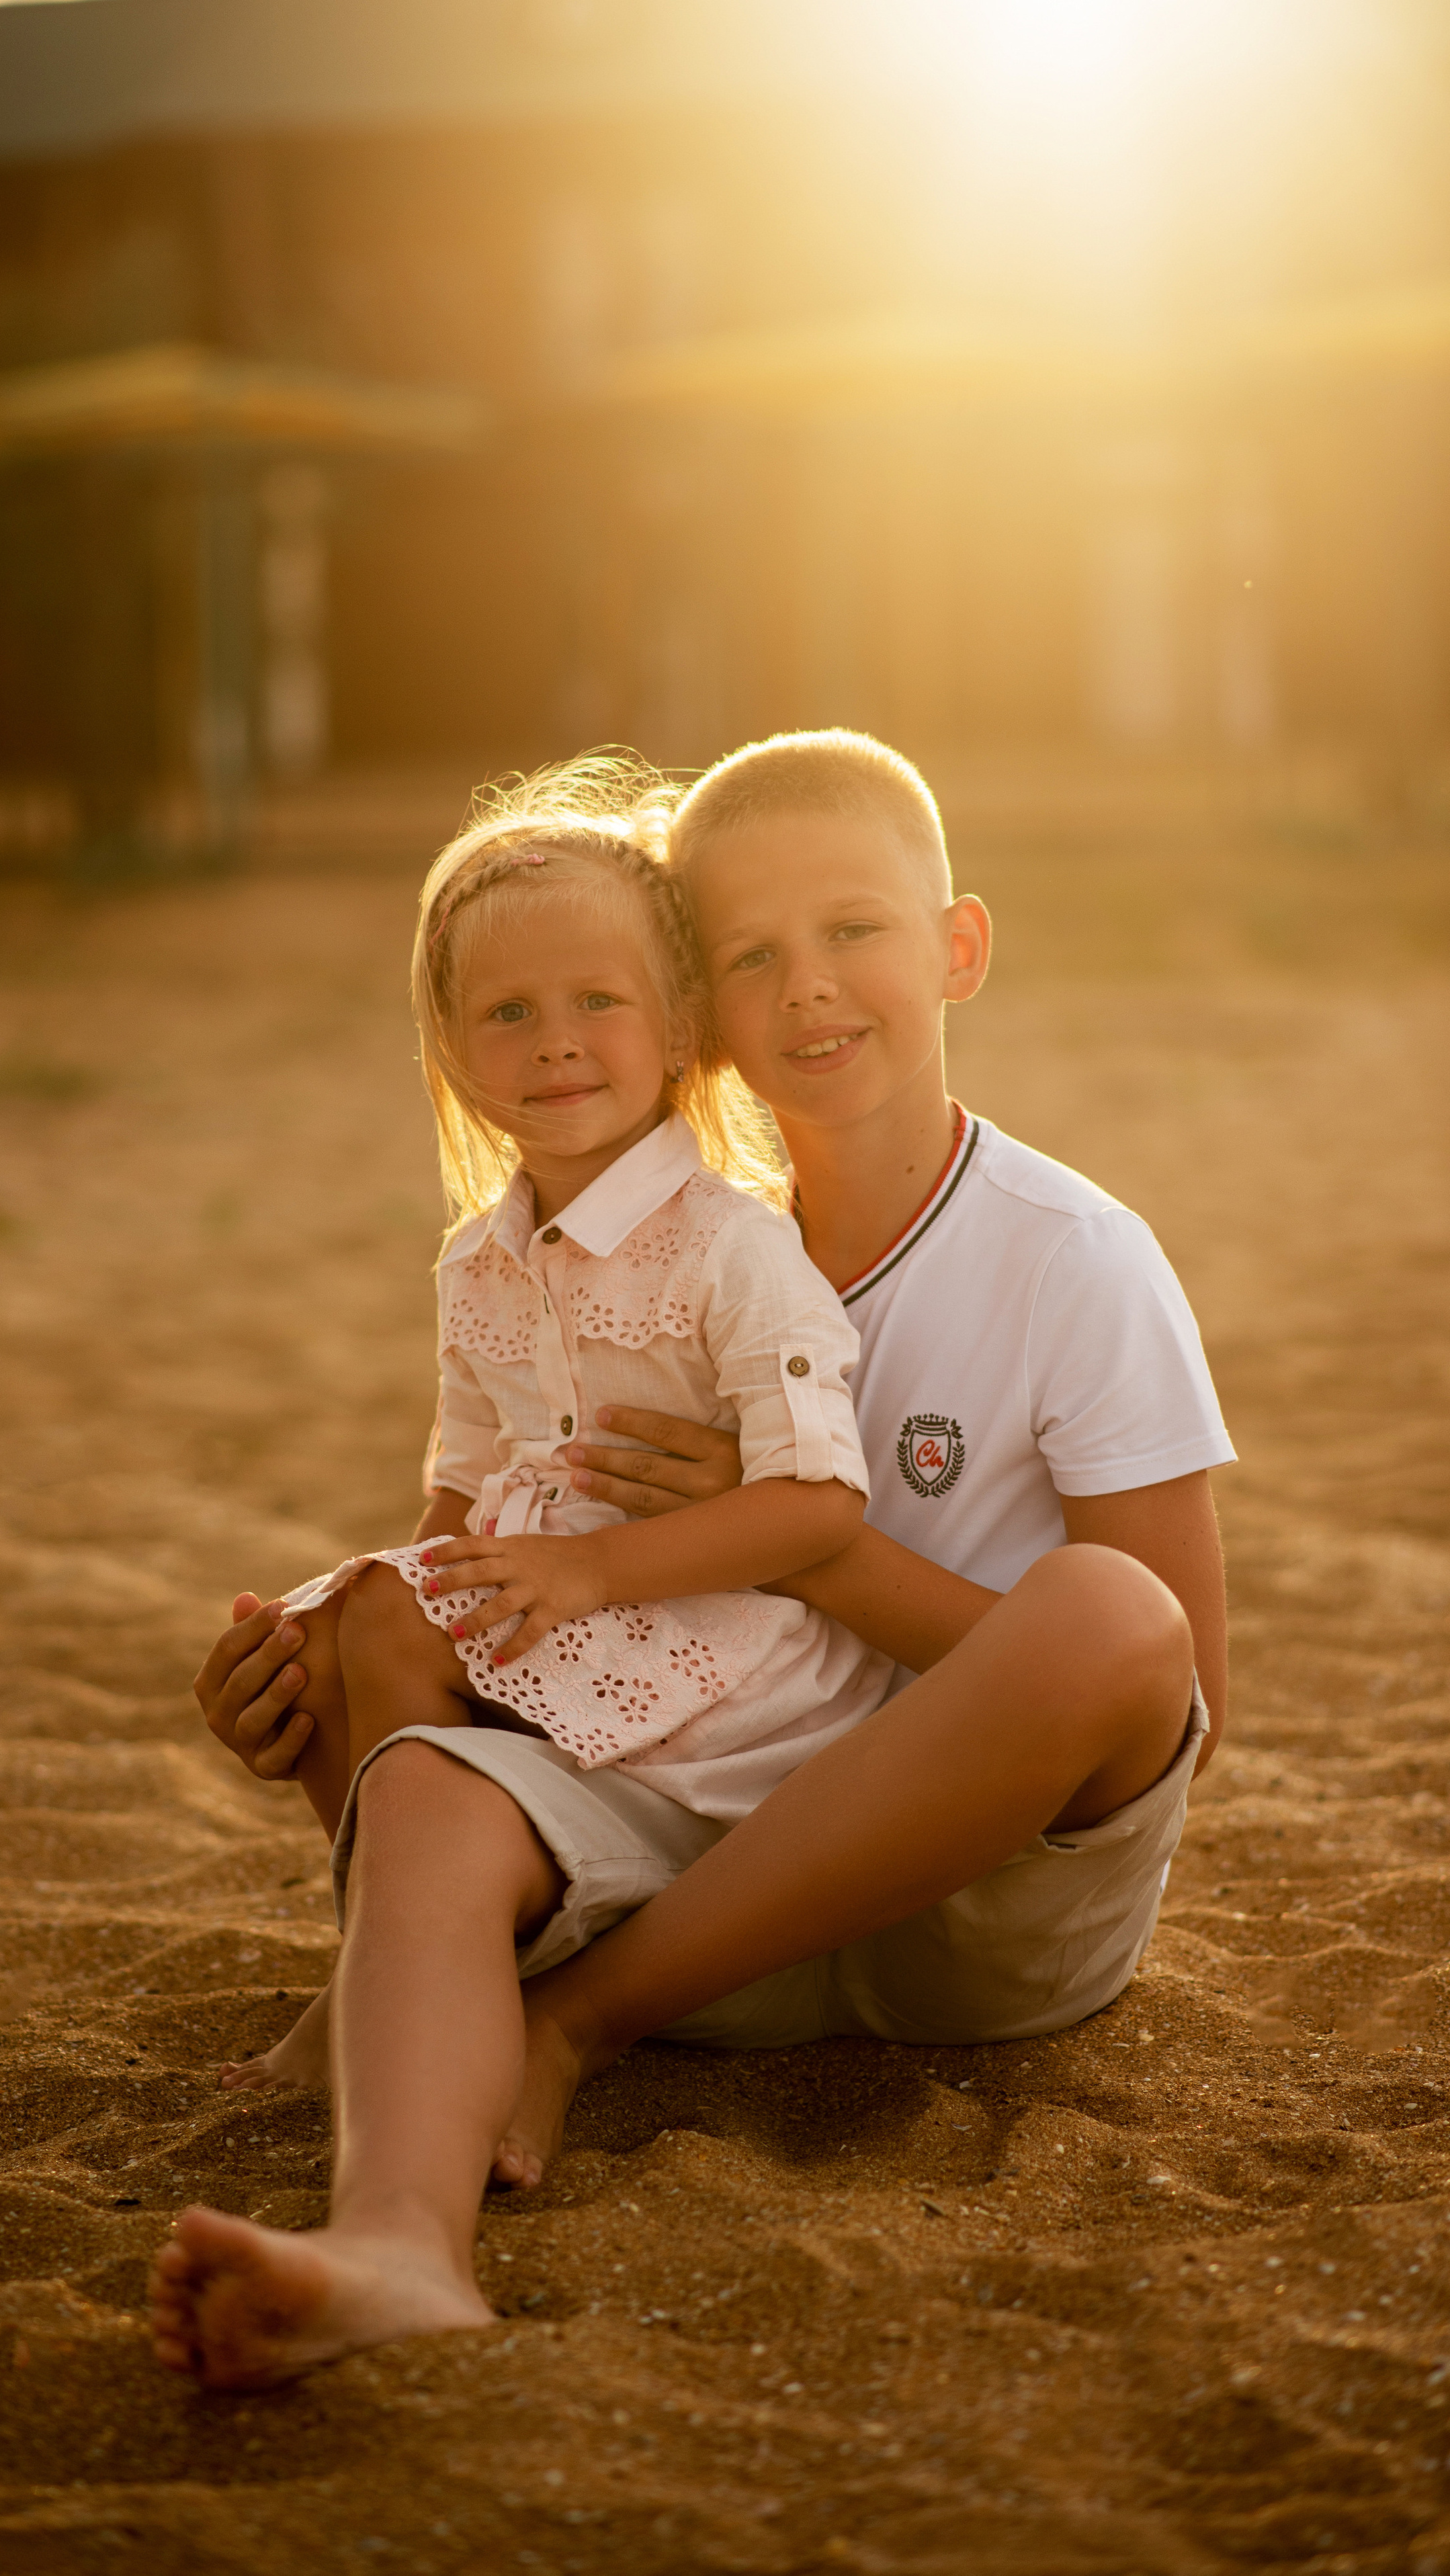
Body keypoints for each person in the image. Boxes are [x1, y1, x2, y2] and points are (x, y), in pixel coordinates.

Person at [158, 730, 1230, 2385]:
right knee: (381, 1653)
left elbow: (1180, 1702)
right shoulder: (645, 1247)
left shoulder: (1070, 1259)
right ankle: (395, 2239)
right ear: (700, 1014)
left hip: (972, 1920)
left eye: (855, 932)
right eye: (749, 956)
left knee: (1106, 1613)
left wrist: (795, 1544)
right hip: (703, 1837)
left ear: (955, 948)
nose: (807, 988)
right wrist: (315, 1652)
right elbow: (504, 1557)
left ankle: (569, 2025)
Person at [152, 753, 900, 2382]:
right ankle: (397, 1959)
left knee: (396, 1621)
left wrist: (597, 1572)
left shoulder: (731, 1245)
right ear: (446, 1047)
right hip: (567, 1621)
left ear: (682, 1028)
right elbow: (457, 1492)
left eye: (597, 1003)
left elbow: (820, 1513)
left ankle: (407, 1973)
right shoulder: (477, 1260)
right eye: (504, 1016)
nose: (554, 1042)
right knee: (344, 1615)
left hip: (731, 1669)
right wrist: (338, 1634)